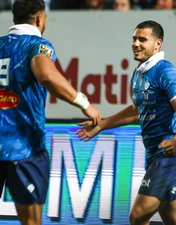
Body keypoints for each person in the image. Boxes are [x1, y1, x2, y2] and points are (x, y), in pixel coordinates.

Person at [77, 20, 176, 225]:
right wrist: (101, 125)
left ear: (158, 44)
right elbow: (138, 111)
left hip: (171, 156)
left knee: (137, 216)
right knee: (175, 221)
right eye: (134, 39)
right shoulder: (138, 74)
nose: (136, 44)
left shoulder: (166, 72)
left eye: (142, 39)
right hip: (156, 156)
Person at [0, 0, 101, 224]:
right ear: (39, 18)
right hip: (25, 148)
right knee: (31, 221)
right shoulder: (37, 45)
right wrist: (84, 103)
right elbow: (46, 75)